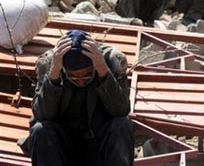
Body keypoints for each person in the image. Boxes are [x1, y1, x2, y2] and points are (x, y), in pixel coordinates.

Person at [18, 30, 134, 166]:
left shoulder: (112, 61)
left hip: (98, 144)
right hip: (62, 146)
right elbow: (42, 114)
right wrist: (53, 77)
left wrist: (103, 72)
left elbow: (121, 110)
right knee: (40, 130)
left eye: (86, 75)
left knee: (122, 126)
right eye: (73, 77)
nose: (80, 81)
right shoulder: (50, 64)